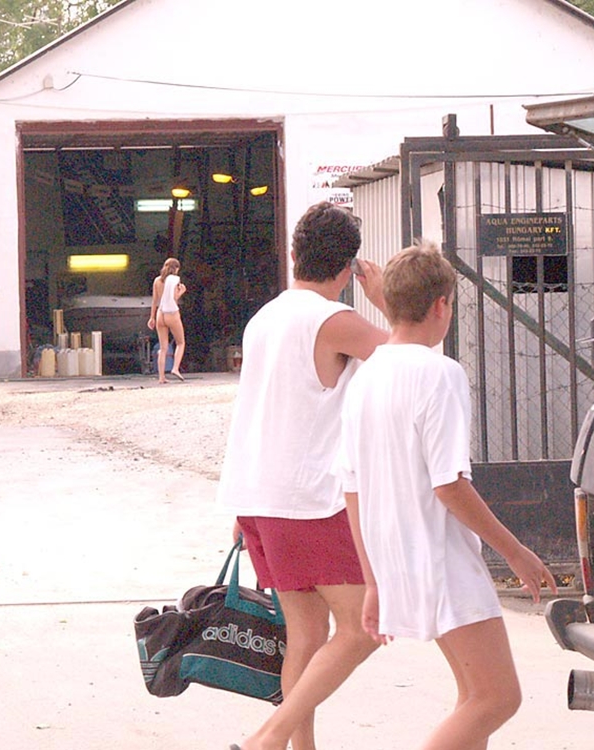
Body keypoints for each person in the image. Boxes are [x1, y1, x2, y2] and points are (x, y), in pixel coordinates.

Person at [336, 241, 558, 750]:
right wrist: (515, 552)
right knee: (497, 699)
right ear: (441, 305)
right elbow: (449, 484)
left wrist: (373, 580)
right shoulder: (440, 373)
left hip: (396, 557)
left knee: (473, 696)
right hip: (441, 560)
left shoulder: (365, 378)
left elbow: (352, 489)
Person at [220, 202, 389, 750]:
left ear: (293, 254)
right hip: (308, 501)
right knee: (364, 627)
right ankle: (266, 740)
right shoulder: (333, 320)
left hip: (259, 497)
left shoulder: (264, 318)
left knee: (308, 635)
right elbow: (410, 357)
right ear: (349, 268)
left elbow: (255, 409)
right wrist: (385, 301)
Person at [147, 257, 187, 383]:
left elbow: (154, 301)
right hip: (172, 313)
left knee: (163, 348)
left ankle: (161, 377)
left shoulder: (157, 280)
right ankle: (175, 368)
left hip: (160, 313)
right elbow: (173, 299)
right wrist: (181, 292)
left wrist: (152, 317)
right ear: (176, 269)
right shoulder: (174, 280)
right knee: (180, 343)